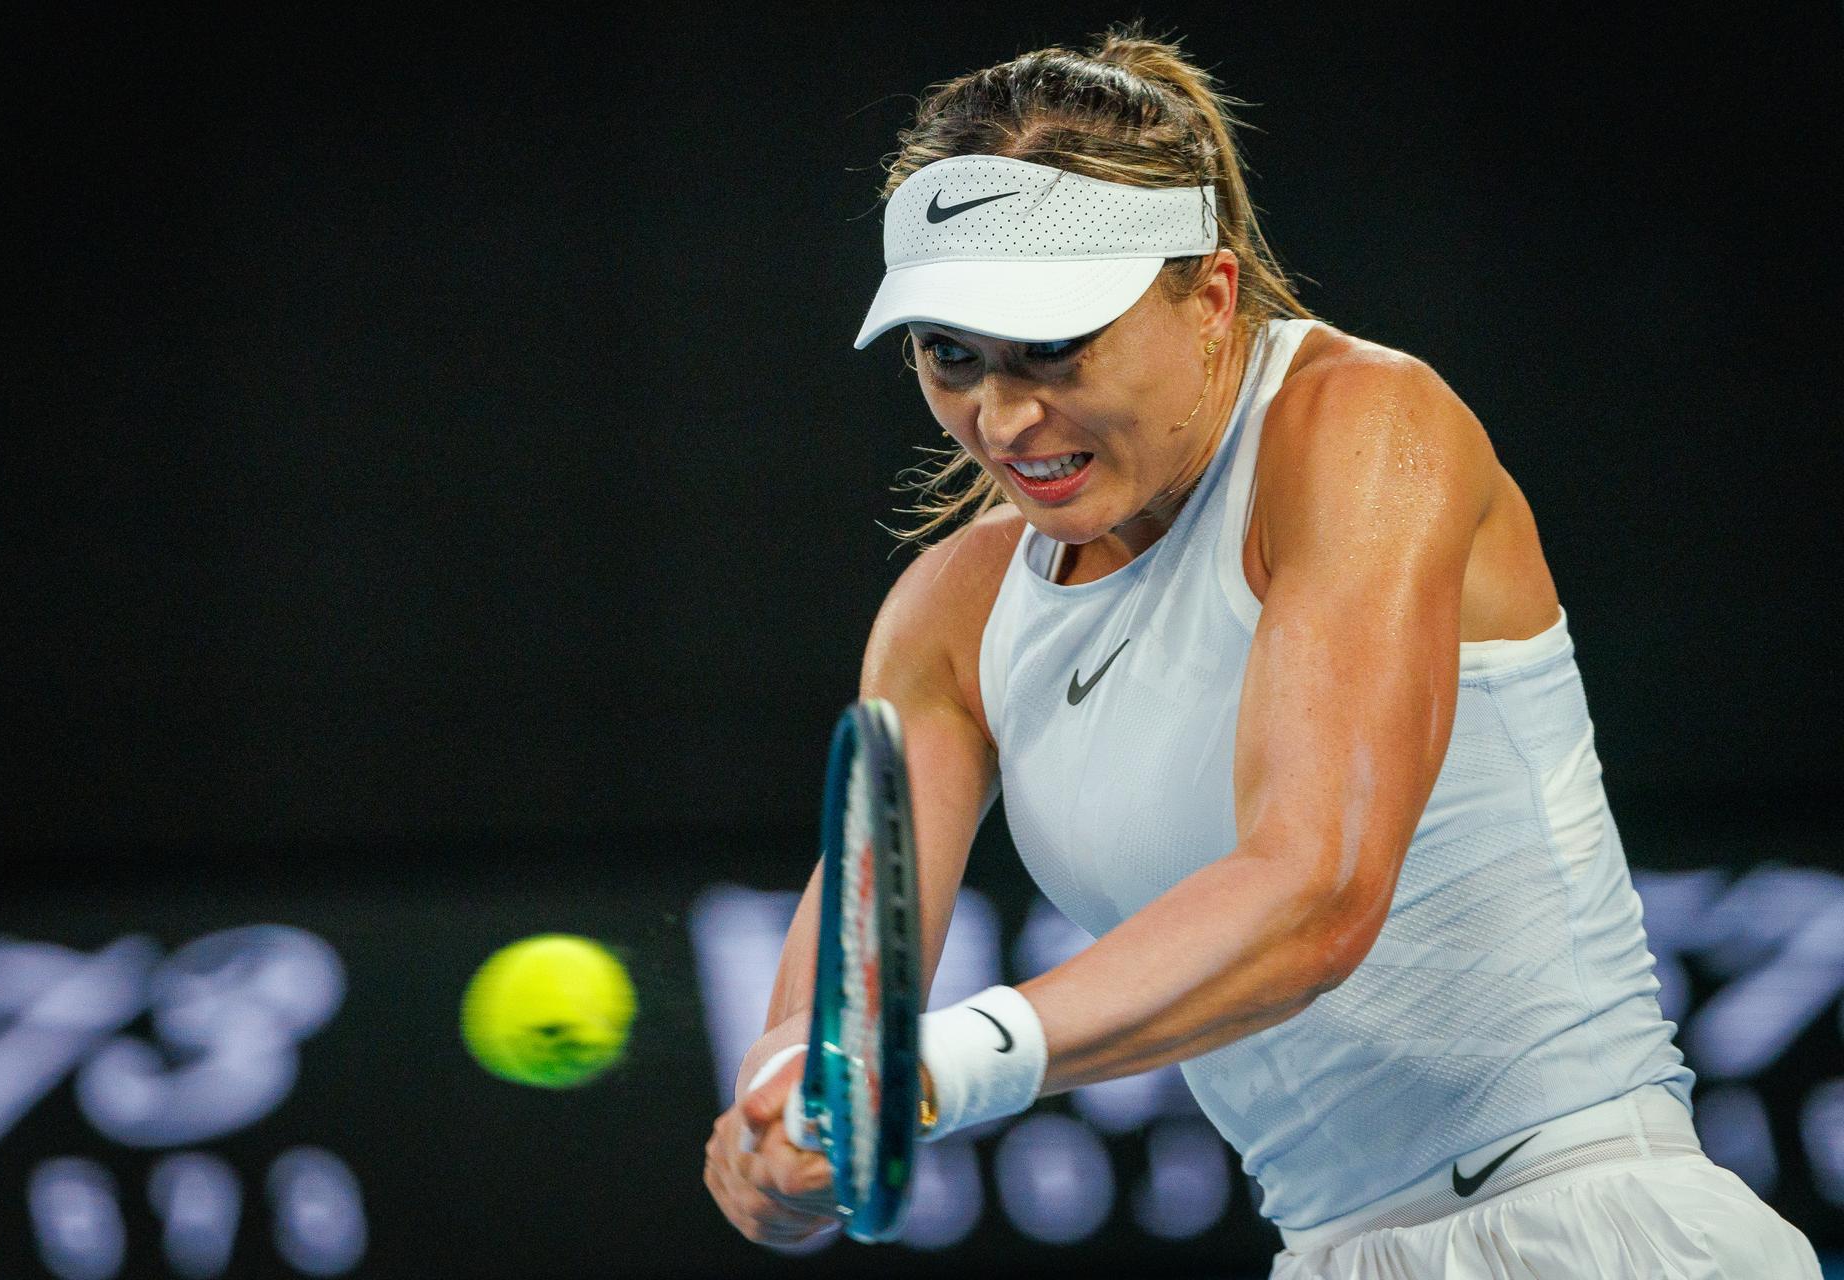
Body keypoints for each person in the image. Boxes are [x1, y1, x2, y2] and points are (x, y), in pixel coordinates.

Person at [702, 22, 1821, 1278]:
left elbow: (1315, 894)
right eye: (950, 354)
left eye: (1054, 345)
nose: (1002, 417)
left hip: (1595, 1225)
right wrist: (786, 1141)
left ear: (1212, 296)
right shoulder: (947, 615)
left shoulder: (1363, 426)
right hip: (1326, 1250)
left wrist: (946, 1064)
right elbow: (825, 1036)